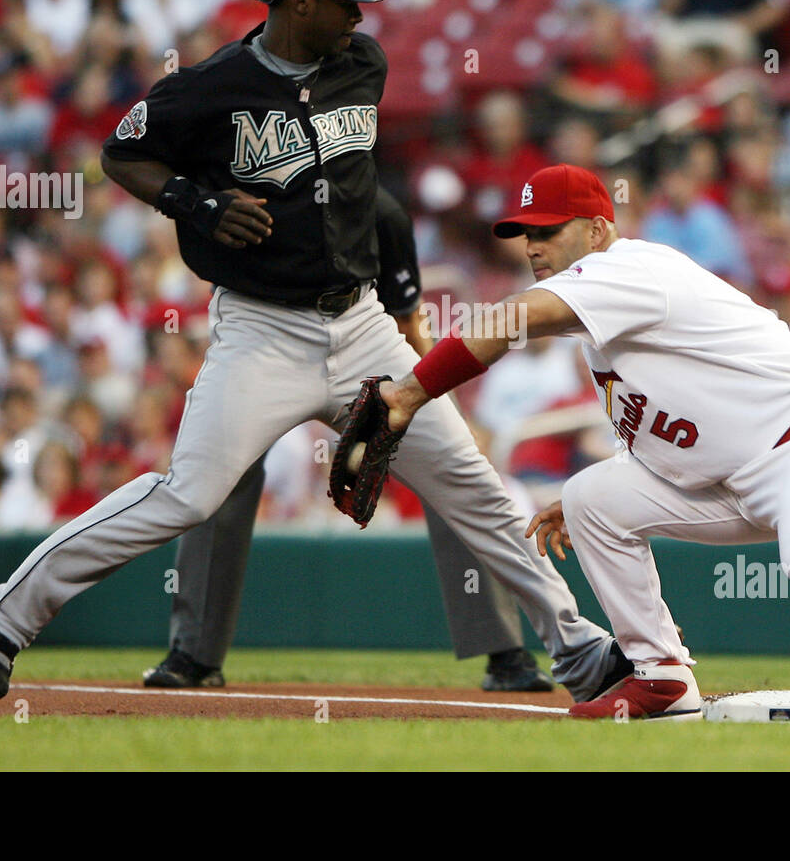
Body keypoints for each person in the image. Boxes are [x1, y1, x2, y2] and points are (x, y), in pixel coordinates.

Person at [0, 0, 626, 705]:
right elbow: (121, 152)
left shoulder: (363, 65)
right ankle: (3, 614)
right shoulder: (208, 87)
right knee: (188, 495)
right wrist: (196, 203)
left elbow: (354, 191)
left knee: (471, 487)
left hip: (362, 324)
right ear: (299, 2)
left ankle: (577, 652)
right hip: (263, 331)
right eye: (345, 2)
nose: (359, 16)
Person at [375, 163, 790, 723]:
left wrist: (410, 392)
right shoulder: (600, 326)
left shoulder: (629, 268)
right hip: (737, 475)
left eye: (549, 230)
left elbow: (513, 318)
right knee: (590, 497)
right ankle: (662, 675)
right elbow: (669, 432)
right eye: (524, 233)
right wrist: (588, 507)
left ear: (599, 230)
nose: (533, 244)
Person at [143, 189, 551, 693]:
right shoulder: (248, 197)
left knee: (448, 463)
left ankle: (505, 650)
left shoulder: (383, 213)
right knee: (220, 474)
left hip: (366, 349)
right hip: (267, 349)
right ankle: (195, 652)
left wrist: (439, 402)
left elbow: (406, 319)